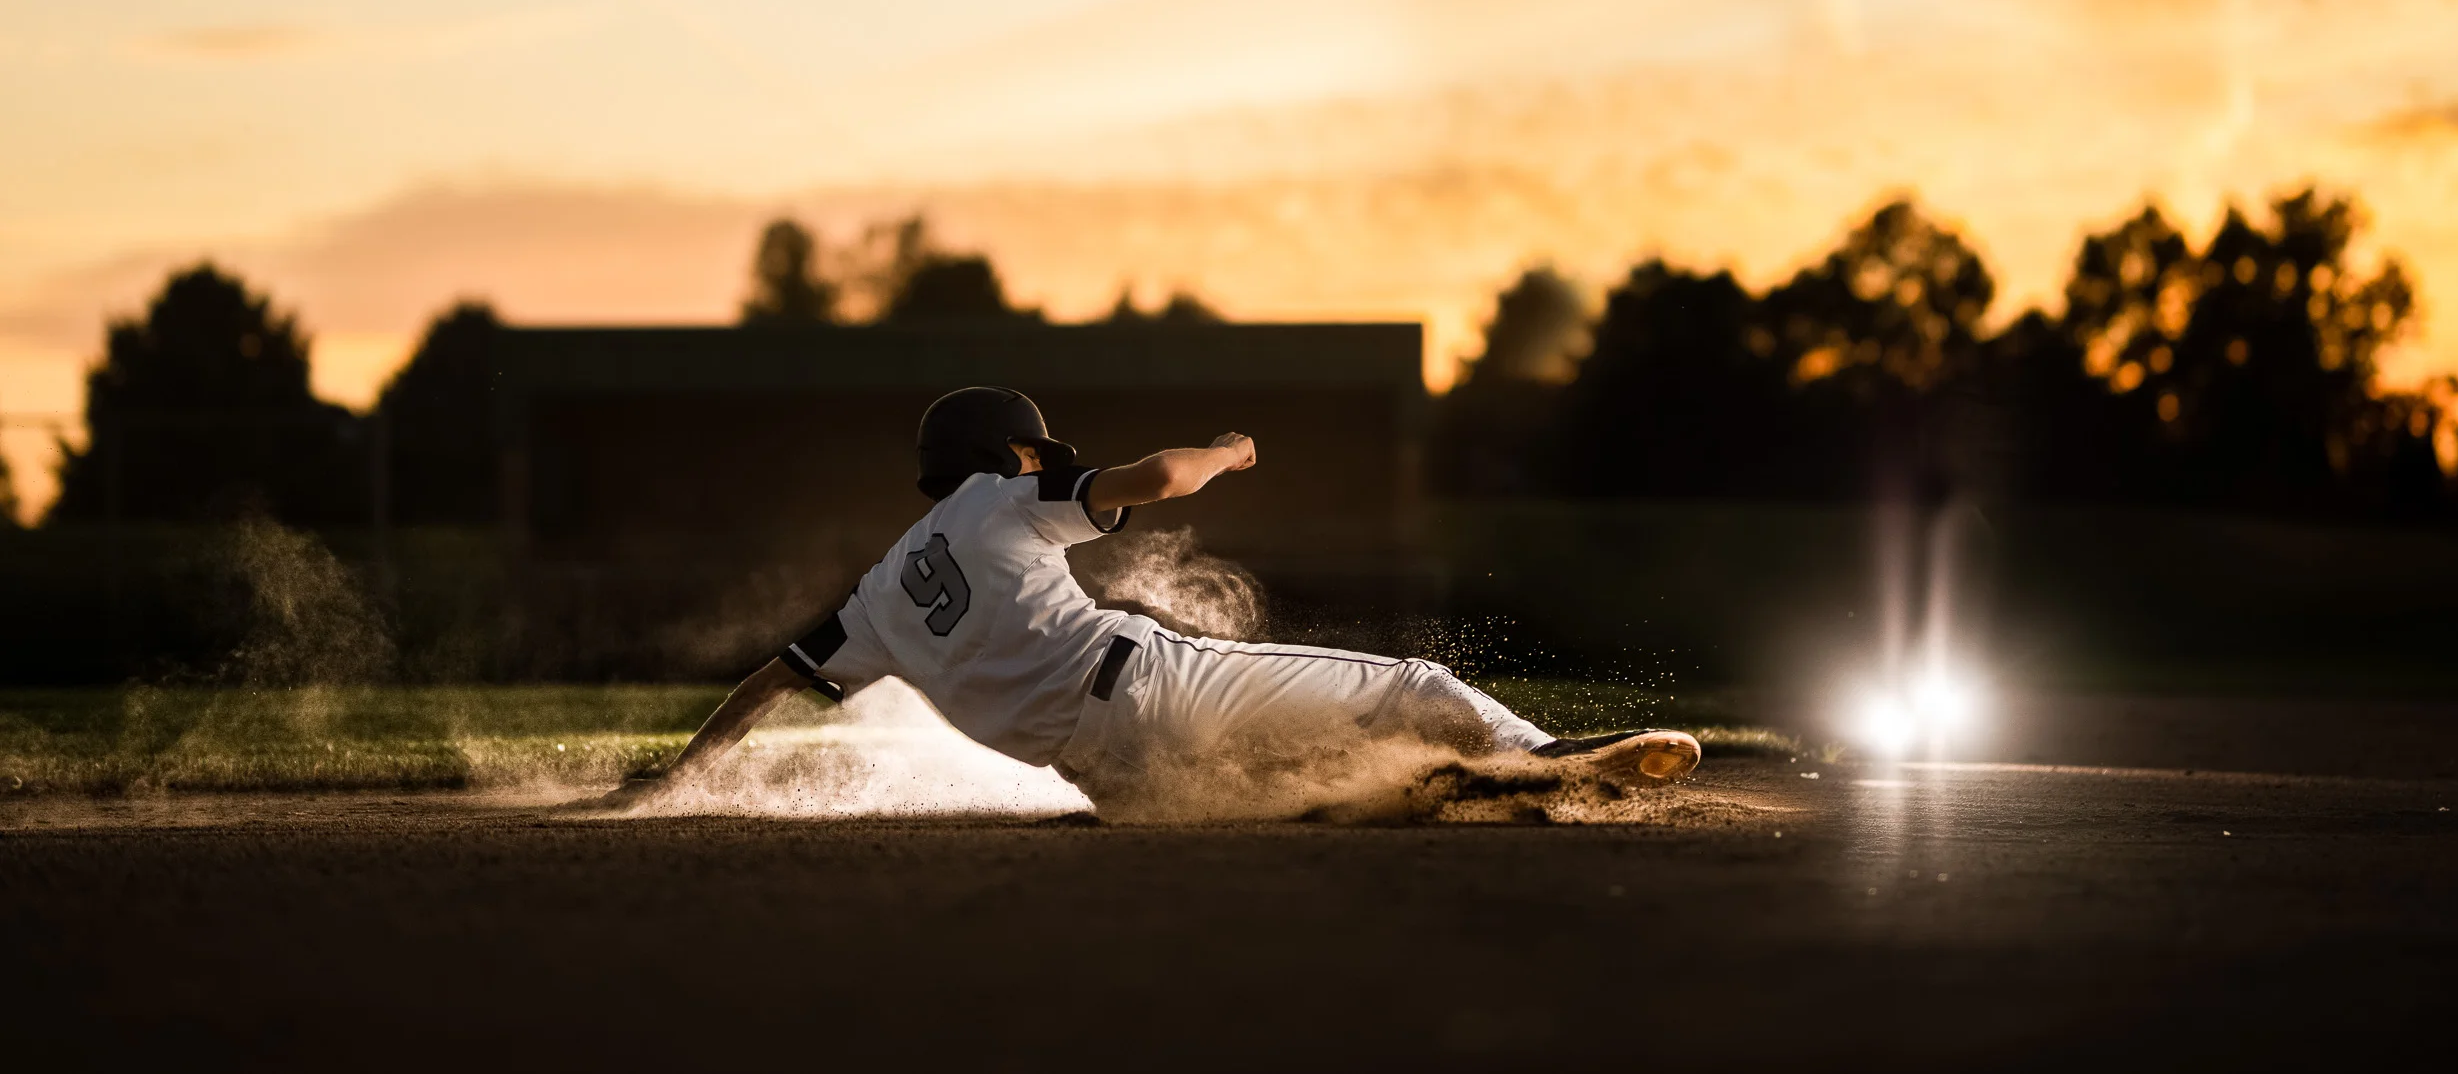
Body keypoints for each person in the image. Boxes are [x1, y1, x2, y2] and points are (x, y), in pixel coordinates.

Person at [628, 386, 1700, 816]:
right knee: (1414, 681)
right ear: (1000, 451)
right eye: (1030, 447)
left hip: (1114, 782)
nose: (1039, 458)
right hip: (1148, 686)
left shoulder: (873, 595)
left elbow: (768, 678)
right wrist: (1230, 449)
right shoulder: (1003, 492)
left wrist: (677, 779)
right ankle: (1551, 756)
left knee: (1297, 773)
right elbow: (1157, 478)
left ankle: (1439, 790)